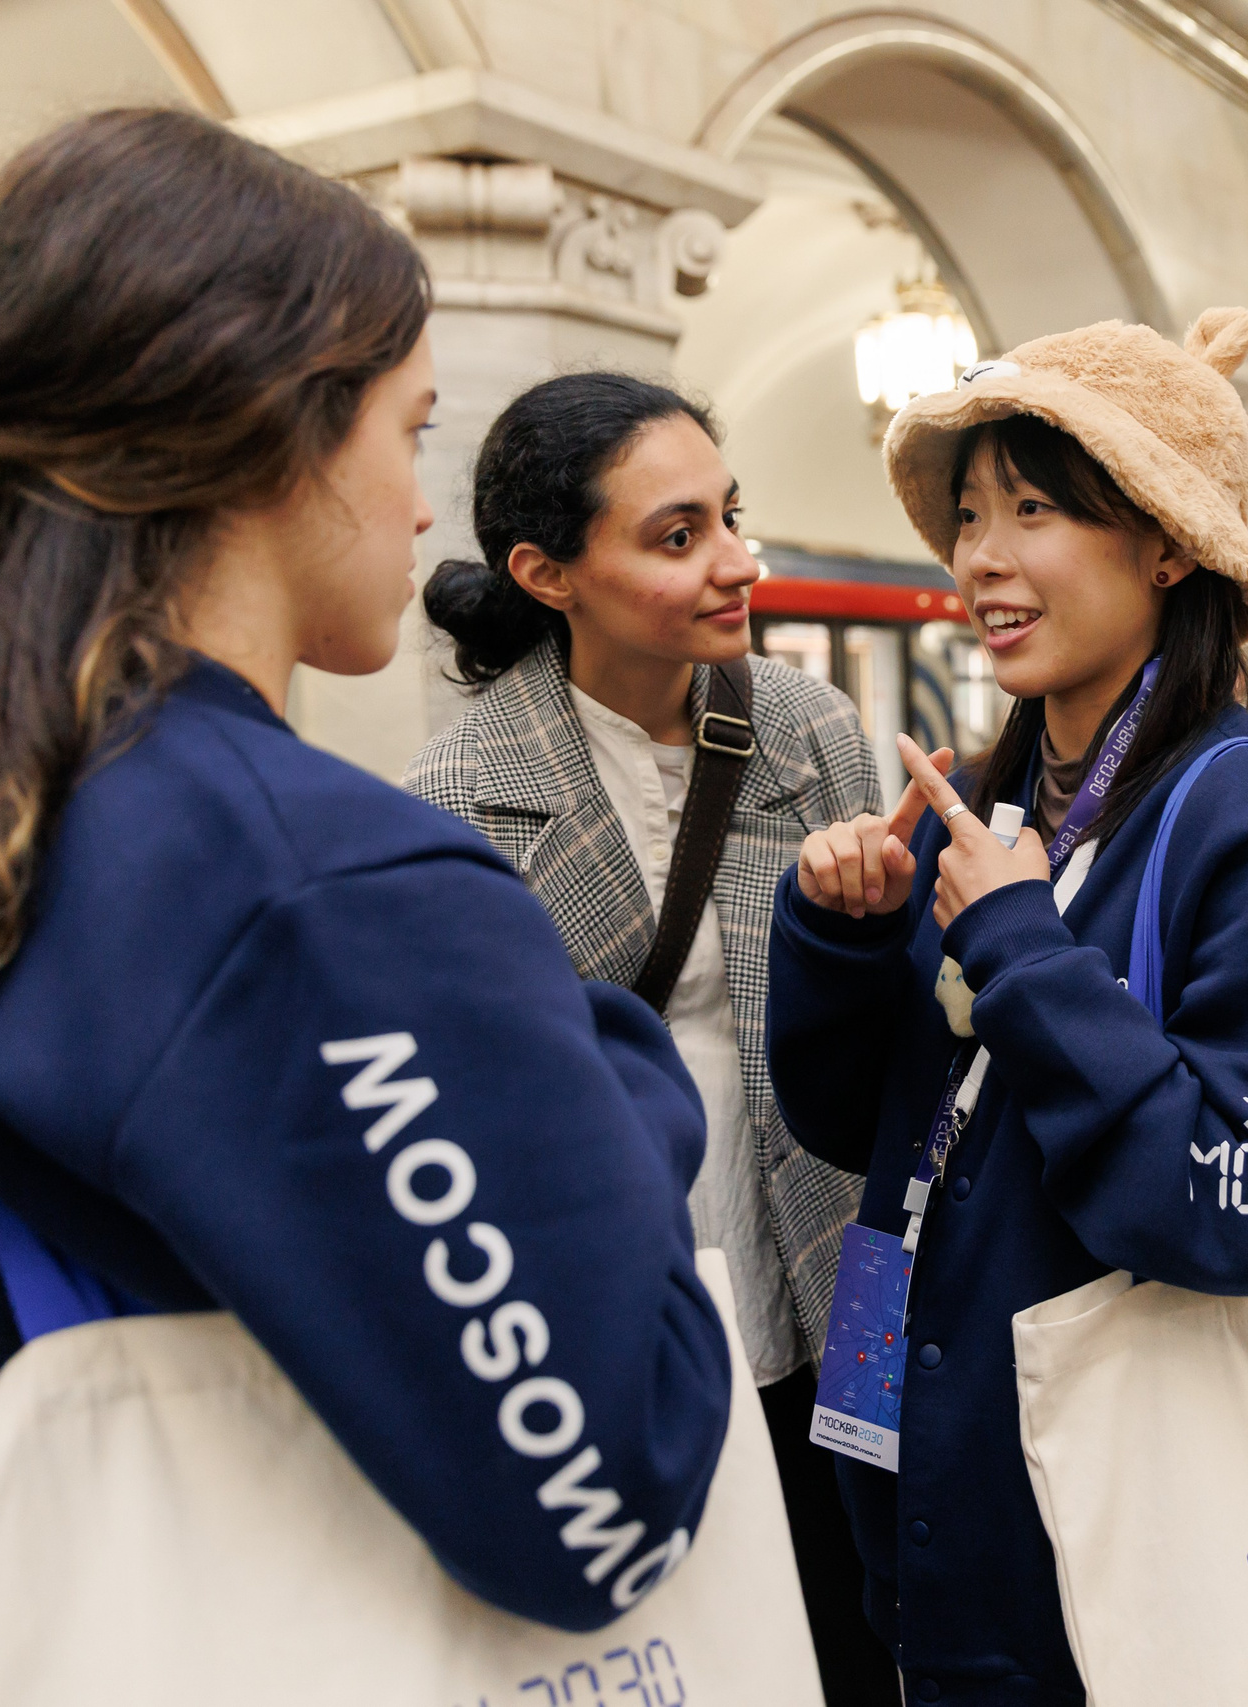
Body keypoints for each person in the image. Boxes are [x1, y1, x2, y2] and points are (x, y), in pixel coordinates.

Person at [0, 111, 733, 1701]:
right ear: (279, 435)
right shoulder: (309, 879)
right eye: (411, 430)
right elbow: (602, 1488)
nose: (419, 507)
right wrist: (606, 1056)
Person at [762, 310, 1248, 1702]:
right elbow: (856, 1128)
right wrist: (842, 934)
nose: (981, 557)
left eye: (1037, 509)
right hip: (949, 1456)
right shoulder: (994, 800)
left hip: (1135, 1530)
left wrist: (1019, 944)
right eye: (973, 511)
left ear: (1168, 543)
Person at [405, 375, 894, 1704]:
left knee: (854, 1628)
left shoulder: (807, 732)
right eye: (677, 534)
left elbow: (892, 1029)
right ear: (545, 571)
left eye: (730, 515)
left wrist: (881, 926)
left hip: (821, 1270)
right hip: (615, 1303)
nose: (738, 560)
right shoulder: (455, 805)